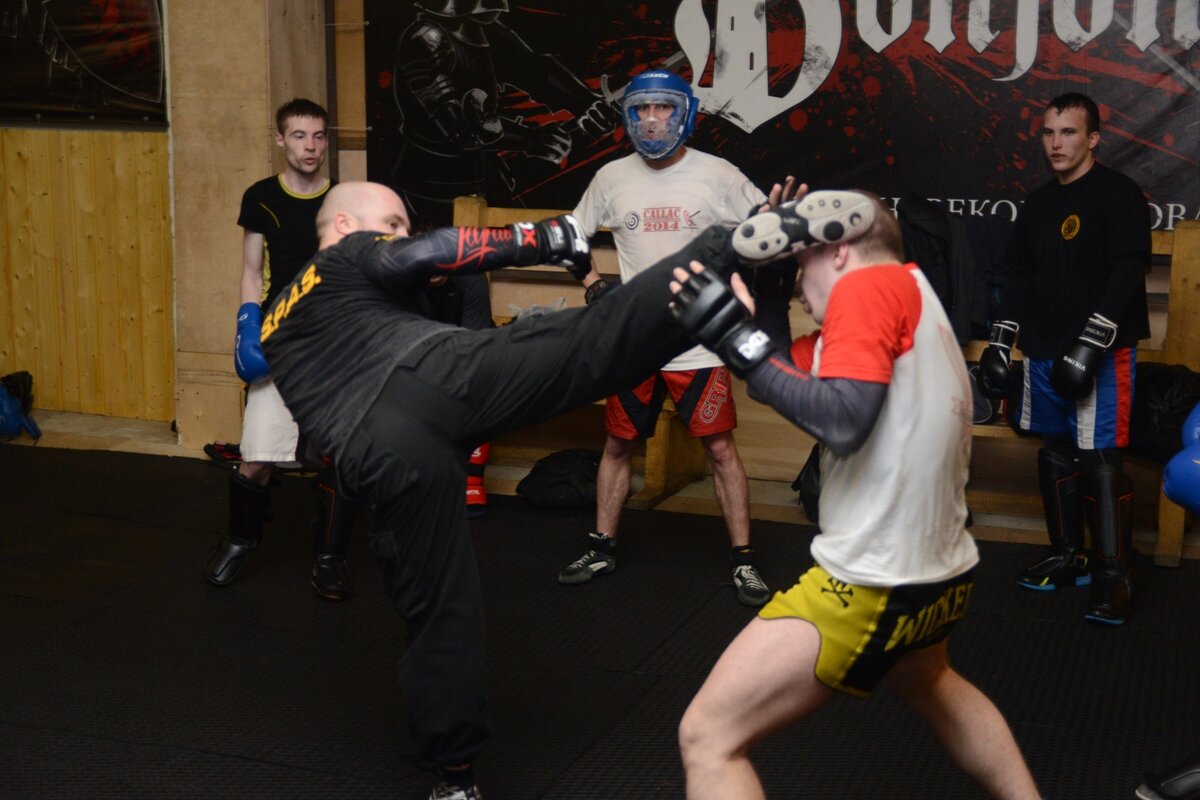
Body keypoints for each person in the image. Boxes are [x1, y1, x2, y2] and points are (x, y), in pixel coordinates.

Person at [257, 178, 818, 799]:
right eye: (390, 223)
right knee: (582, 344)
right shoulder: (345, 253)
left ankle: (454, 779)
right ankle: (728, 248)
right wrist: (548, 237)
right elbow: (421, 254)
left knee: (439, 611)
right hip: (424, 377)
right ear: (342, 225)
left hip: (376, 458)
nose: (398, 236)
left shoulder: (280, 316)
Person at [670, 190, 1041, 798]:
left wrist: (729, 334)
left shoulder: (868, 289)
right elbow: (775, 380)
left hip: (872, 581)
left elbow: (842, 422)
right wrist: (767, 295)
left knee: (708, 736)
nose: (799, 284)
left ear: (839, 250)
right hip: (943, 574)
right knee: (931, 681)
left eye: (802, 263)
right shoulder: (911, 292)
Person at [557, 68, 775, 607]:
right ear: (628, 116)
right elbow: (569, 236)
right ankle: (601, 546)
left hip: (699, 342)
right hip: (635, 342)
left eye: (663, 108)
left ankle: (744, 559)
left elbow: (766, 232)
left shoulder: (718, 174)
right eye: (640, 109)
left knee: (719, 448)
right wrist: (593, 286)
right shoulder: (611, 177)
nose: (652, 120)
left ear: (686, 114)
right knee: (617, 444)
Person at [977, 92, 1151, 626]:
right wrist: (1000, 342)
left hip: (1099, 352)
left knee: (1100, 457)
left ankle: (1114, 574)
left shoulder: (1118, 194)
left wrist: (1091, 343)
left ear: (1093, 138)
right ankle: (1069, 555)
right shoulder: (1037, 203)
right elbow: (1017, 275)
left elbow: (1128, 270)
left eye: (1069, 132)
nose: (1056, 143)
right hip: (1044, 347)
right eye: (1049, 133)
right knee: (1055, 450)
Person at [202, 98, 357, 602]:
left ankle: (329, 560)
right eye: (298, 136)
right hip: (279, 339)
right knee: (257, 456)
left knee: (337, 458)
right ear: (280, 139)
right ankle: (239, 541)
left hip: (331, 340)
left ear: (326, 141)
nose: (310, 146)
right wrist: (248, 326)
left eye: (318, 136)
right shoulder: (262, 197)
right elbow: (252, 272)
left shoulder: (347, 200)